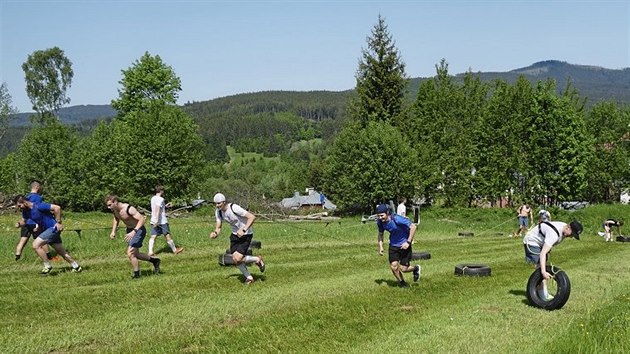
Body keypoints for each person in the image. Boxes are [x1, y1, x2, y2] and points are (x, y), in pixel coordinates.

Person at [13, 195, 82, 275]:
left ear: (24, 202)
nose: (19, 207)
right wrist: (19, 224)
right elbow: (24, 221)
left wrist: (59, 223)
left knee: (36, 245)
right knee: (61, 251)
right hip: (47, 230)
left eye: (19, 205)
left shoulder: (38, 205)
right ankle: (76, 266)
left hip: (53, 228)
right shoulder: (26, 212)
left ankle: (47, 266)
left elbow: (57, 208)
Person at [209, 193, 265, 284]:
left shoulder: (234, 208)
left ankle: (256, 260)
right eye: (215, 203)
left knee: (238, 258)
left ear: (224, 202)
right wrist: (215, 233)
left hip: (246, 234)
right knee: (235, 259)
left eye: (219, 203)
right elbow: (218, 227)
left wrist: (243, 229)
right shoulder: (218, 212)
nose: (217, 205)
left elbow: (252, 217)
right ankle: (250, 277)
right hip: (234, 235)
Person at [523, 220, 582, 300]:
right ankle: (542, 293)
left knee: (543, 265)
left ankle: (539, 290)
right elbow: (543, 253)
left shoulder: (563, 229)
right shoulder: (554, 234)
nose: (571, 237)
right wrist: (544, 272)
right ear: (568, 227)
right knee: (540, 267)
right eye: (572, 234)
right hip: (532, 241)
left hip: (541, 242)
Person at [106, 194, 160, 279]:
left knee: (130, 253)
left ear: (115, 202)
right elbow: (116, 219)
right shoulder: (115, 210)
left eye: (110, 205)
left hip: (138, 230)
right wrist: (113, 231)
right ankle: (155, 261)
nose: (109, 207)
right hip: (130, 231)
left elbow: (141, 219)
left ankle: (136, 275)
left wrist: (134, 231)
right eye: (108, 205)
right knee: (136, 254)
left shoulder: (128, 208)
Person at [375, 204, 421, 288]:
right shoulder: (380, 222)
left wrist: (408, 242)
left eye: (382, 215)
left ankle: (415, 268)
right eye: (378, 216)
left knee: (404, 269)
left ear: (387, 213)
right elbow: (380, 234)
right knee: (394, 266)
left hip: (405, 245)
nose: (380, 218)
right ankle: (403, 283)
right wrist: (381, 247)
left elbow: (413, 227)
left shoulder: (397, 219)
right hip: (393, 245)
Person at [14, 180, 59, 262]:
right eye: (40, 187)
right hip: (35, 222)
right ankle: (49, 257)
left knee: (23, 240)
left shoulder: (26, 197)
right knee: (42, 240)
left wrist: (19, 223)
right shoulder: (37, 197)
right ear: (37, 187)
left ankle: (17, 257)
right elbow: (38, 211)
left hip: (26, 222)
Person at [148, 185, 183, 256]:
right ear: (161, 191)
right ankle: (175, 250)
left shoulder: (153, 198)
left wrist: (165, 206)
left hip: (153, 220)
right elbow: (157, 209)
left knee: (153, 236)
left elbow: (158, 208)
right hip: (161, 221)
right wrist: (157, 221)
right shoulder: (161, 199)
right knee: (167, 235)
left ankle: (150, 252)